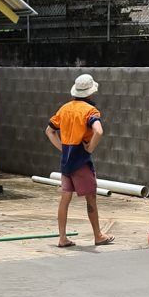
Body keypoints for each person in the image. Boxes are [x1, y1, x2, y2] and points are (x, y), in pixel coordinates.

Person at [45, 73, 115, 249]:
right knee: (91, 199)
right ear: (90, 93)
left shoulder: (64, 109)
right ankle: (98, 235)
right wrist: (90, 148)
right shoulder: (90, 111)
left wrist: (63, 148)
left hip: (66, 163)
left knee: (65, 199)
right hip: (81, 162)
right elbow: (99, 131)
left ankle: (62, 238)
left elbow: (49, 131)